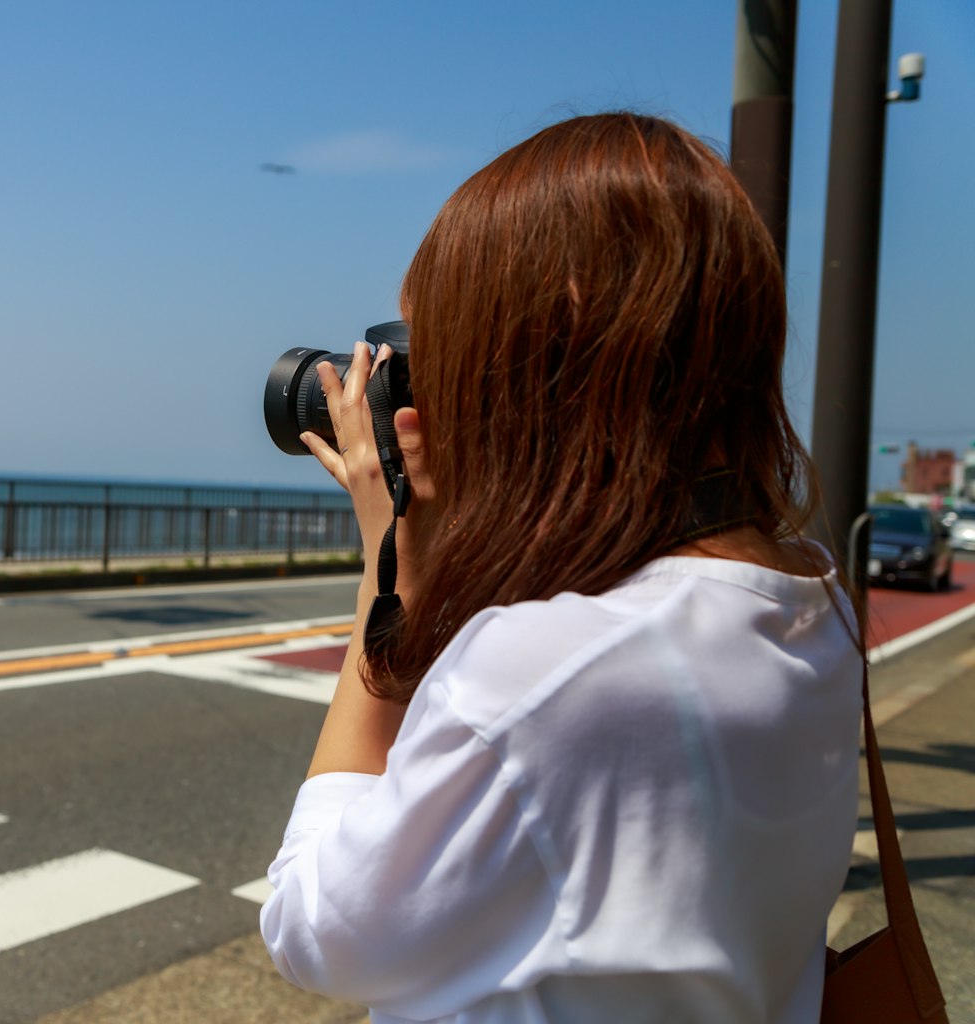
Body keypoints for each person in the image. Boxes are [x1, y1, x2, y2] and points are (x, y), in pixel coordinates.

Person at [259, 113, 863, 1024]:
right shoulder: (811, 600)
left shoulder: (546, 668)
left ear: (543, 363)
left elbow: (314, 932)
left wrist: (393, 575)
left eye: (444, 354)